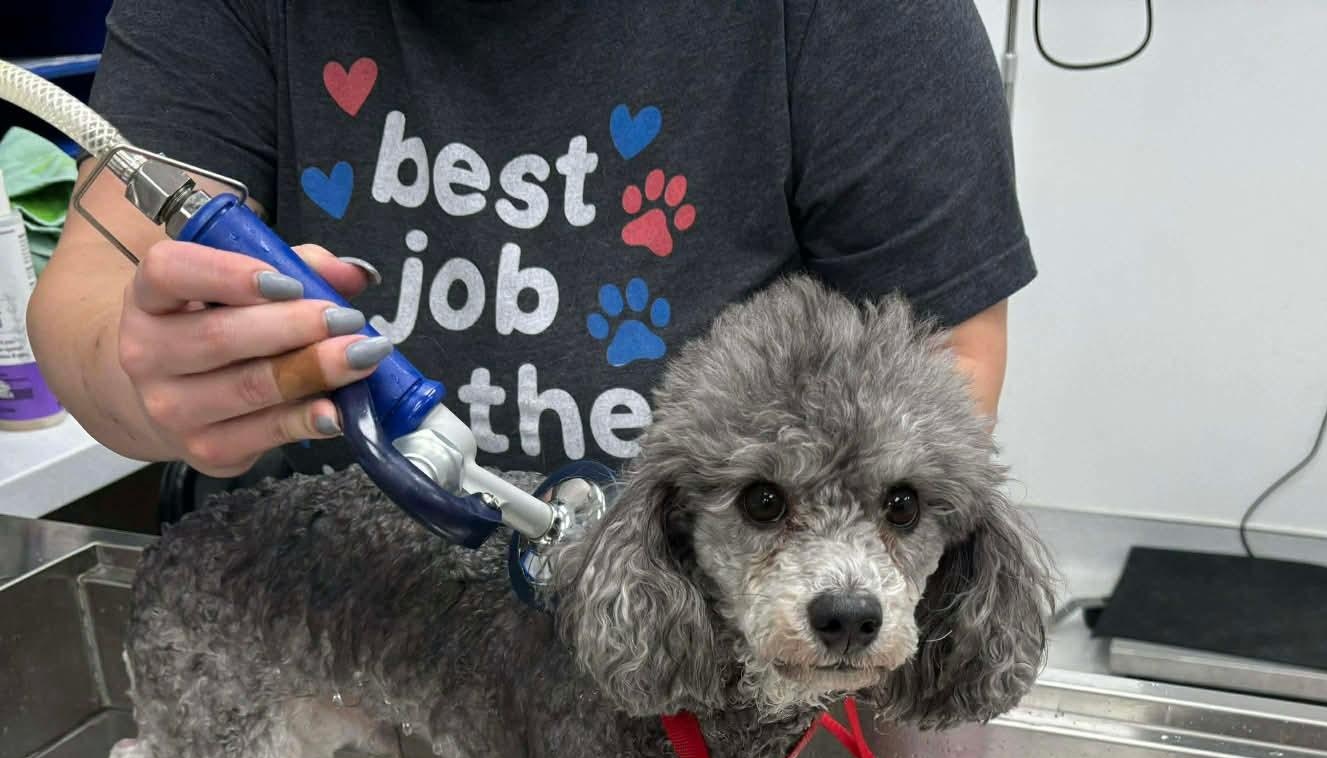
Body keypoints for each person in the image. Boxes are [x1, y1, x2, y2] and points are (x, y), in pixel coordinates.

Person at [31, 0, 1033, 483]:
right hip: (318, 651)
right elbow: (91, 291)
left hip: (704, 685)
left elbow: (943, 362)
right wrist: (148, 380)